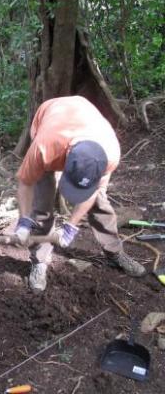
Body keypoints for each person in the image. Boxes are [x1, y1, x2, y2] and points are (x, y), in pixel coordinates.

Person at [15, 96, 145, 291]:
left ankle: (114, 252)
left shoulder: (110, 154)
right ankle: (39, 260)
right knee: (42, 203)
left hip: (84, 117)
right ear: (65, 163)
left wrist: (71, 227)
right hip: (50, 118)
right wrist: (24, 221)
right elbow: (25, 184)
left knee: (100, 203)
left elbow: (95, 192)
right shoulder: (44, 148)